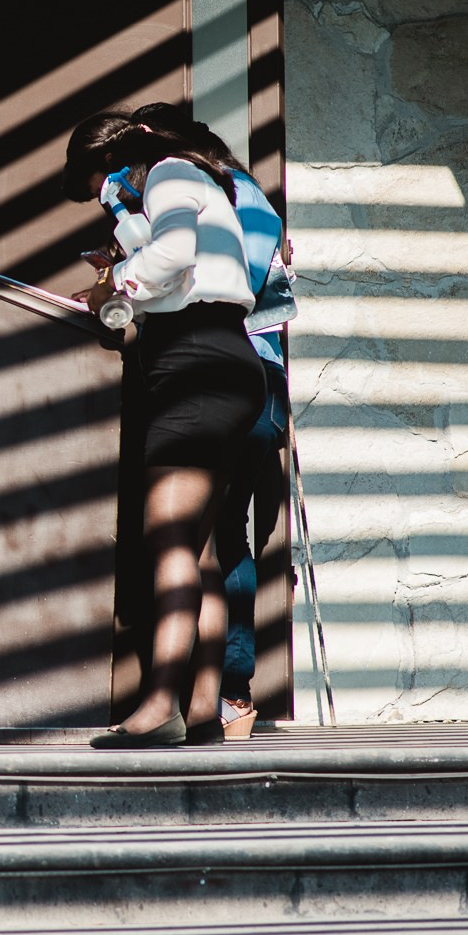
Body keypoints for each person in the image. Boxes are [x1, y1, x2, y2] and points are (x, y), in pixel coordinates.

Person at [63, 111, 267, 748]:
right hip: (226, 360)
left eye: (101, 181)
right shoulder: (199, 180)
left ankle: (160, 704)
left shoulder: (169, 171)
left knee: (169, 539)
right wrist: (128, 244)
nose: (106, 193)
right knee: (200, 551)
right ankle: (202, 705)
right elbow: (180, 262)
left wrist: (113, 288)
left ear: (118, 158)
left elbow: (174, 253)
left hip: (194, 364)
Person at [130, 104, 290, 741]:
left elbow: (212, 278)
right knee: (211, 543)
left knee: (198, 537)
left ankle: (221, 695)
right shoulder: (231, 188)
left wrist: (124, 277)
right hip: (246, 371)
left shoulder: (205, 186)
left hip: (221, 361)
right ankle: (213, 702)